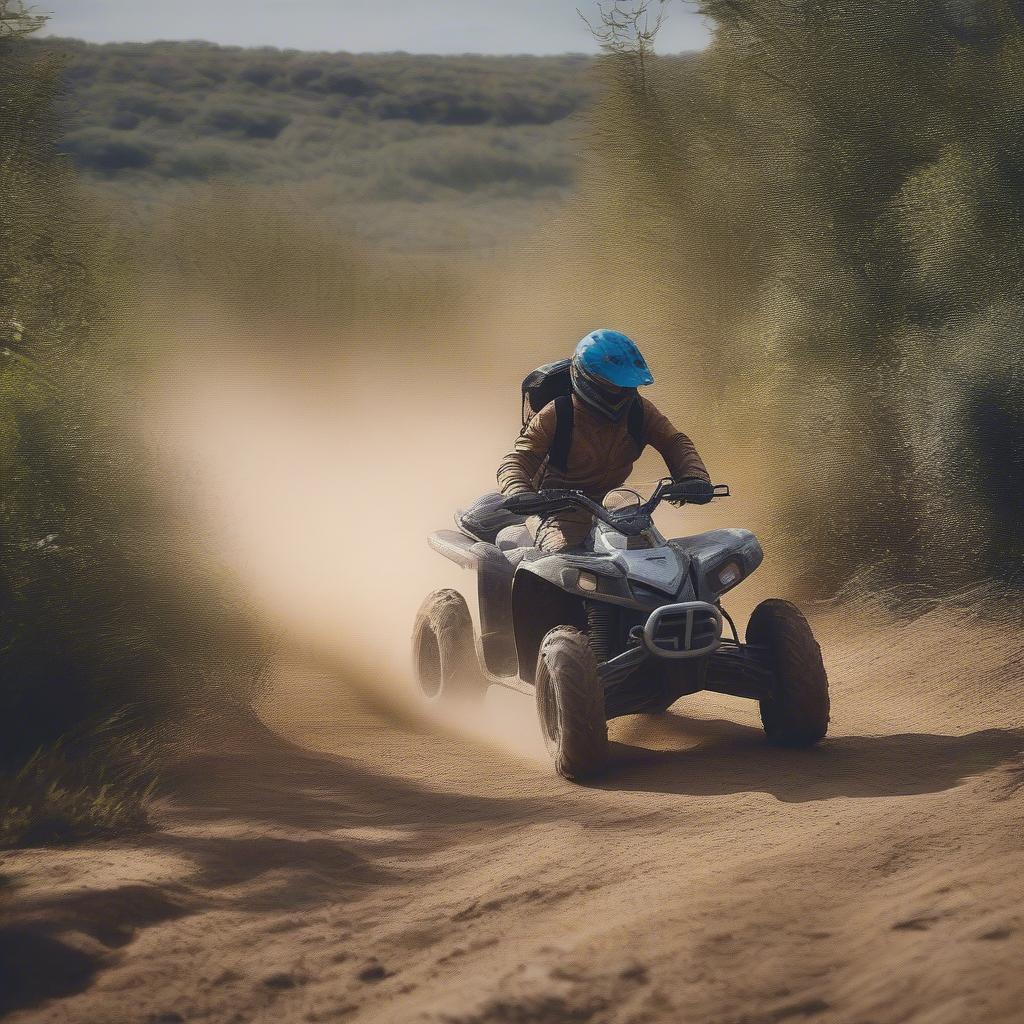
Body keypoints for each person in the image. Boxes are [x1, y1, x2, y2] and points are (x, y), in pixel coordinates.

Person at [497, 330, 712, 553]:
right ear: (586, 380)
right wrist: (519, 491)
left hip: (616, 508)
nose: (621, 394)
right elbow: (518, 459)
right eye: (613, 387)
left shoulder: (639, 410)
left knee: (652, 554)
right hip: (555, 510)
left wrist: (693, 476)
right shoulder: (558, 413)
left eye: (627, 387)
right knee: (560, 553)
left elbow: (674, 442)